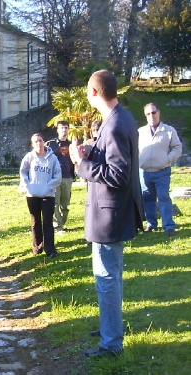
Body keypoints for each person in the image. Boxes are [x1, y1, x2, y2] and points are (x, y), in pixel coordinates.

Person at [70, 70, 144, 357]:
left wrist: (81, 163)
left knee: (107, 277)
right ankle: (109, 326)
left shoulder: (113, 125)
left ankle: (111, 342)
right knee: (110, 275)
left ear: (93, 93)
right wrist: (92, 151)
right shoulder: (119, 118)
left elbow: (118, 175)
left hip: (109, 215)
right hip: (113, 211)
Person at [139, 103, 182, 236]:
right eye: (148, 114)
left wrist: (167, 159)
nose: (151, 116)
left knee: (163, 198)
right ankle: (151, 224)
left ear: (159, 112)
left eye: (153, 112)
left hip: (162, 170)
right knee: (147, 199)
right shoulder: (140, 132)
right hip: (144, 171)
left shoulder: (169, 130)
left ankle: (168, 226)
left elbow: (177, 148)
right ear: (145, 116)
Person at [19, 133, 62, 258]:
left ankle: (50, 249)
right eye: (36, 141)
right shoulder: (29, 157)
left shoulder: (52, 158)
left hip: (48, 195)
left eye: (40, 140)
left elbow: (57, 176)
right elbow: (23, 173)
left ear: (44, 142)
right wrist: (28, 186)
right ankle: (37, 247)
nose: (39, 143)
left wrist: (48, 187)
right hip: (32, 195)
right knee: (35, 222)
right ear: (32, 144)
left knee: (48, 222)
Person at [45, 121, 75, 233]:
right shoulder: (50, 144)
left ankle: (62, 222)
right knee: (55, 204)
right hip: (55, 178)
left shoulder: (72, 144)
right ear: (57, 129)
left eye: (66, 128)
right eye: (62, 128)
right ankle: (58, 226)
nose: (64, 130)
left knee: (65, 204)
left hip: (68, 177)